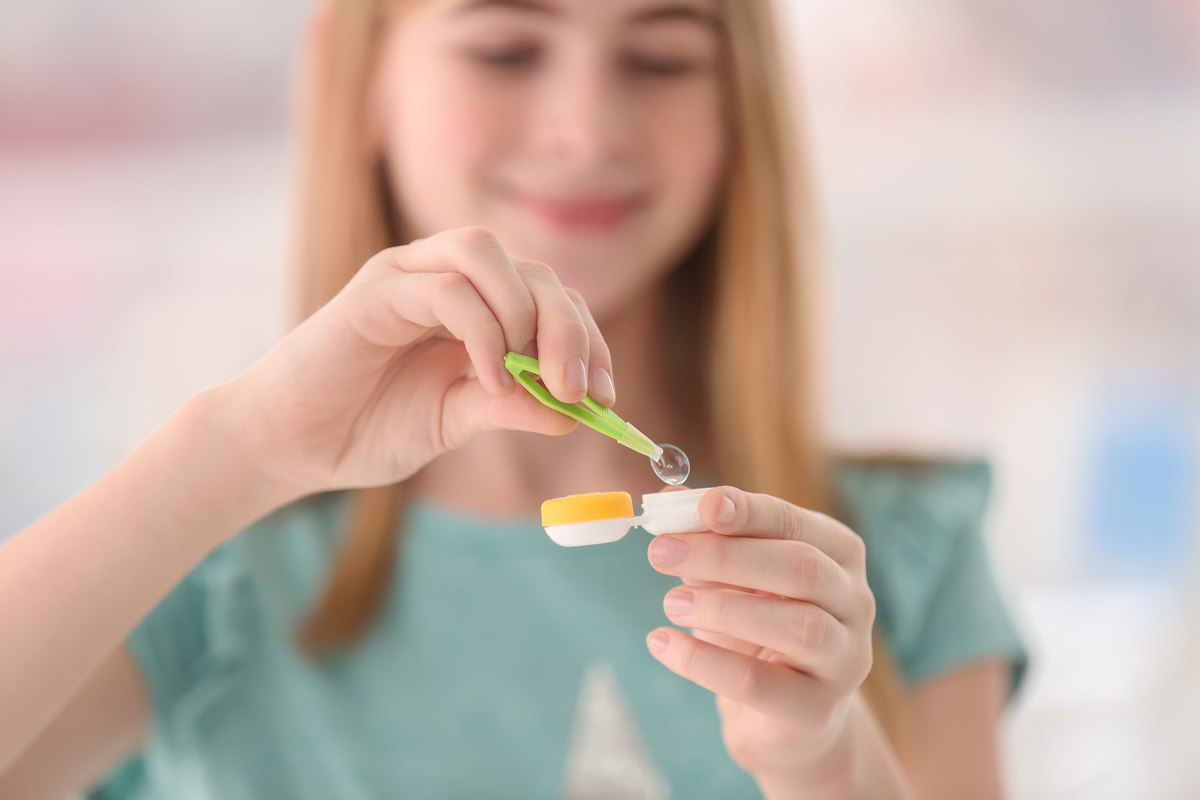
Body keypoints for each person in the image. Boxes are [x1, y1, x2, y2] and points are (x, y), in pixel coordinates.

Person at [0, 0, 1026, 798]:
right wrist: (243, 447)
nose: (586, 128)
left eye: (662, 58)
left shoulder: (886, 553)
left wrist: (828, 758)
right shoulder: (201, 571)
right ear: (355, 80)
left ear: (741, 104)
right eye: (504, 49)